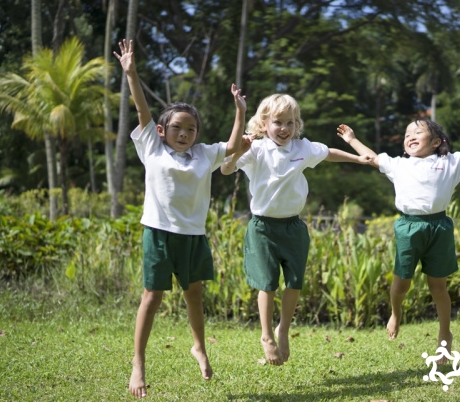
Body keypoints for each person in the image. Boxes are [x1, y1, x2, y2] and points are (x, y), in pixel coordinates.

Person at [114, 39, 247, 398]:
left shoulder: (204, 154)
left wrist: (240, 112)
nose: (185, 134)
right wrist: (131, 73)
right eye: (177, 128)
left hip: (193, 235)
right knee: (152, 296)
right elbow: (142, 110)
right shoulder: (152, 147)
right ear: (162, 131)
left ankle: (199, 347)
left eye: (191, 129)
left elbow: (233, 146)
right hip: (158, 232)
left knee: (194, 294)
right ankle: (138, 363)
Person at [337, 113, 460, 364]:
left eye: (418, 132)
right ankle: (396, 313)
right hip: (408, 227)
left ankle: (444, 333)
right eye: (407, 134)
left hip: (439, 227)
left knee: (438, 287)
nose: (410, 136)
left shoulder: (449, 162)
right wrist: (352, 140)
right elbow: (372, 158)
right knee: (401, 284)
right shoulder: (399, 165)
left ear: (436, 142)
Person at [221, 93, 373, 366]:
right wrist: (239, 152)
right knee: (267, 284)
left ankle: (283, 329)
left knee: (294, 282)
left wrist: (357, 159)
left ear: (297, 124)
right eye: (278, 122)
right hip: (263, 227)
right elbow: (225, 169)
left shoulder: (302, 148)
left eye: (290, 123)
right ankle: (266, 335)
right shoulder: (255, 149)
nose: (285, 128)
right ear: (264, 124)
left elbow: (328, 153)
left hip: (293, 226)